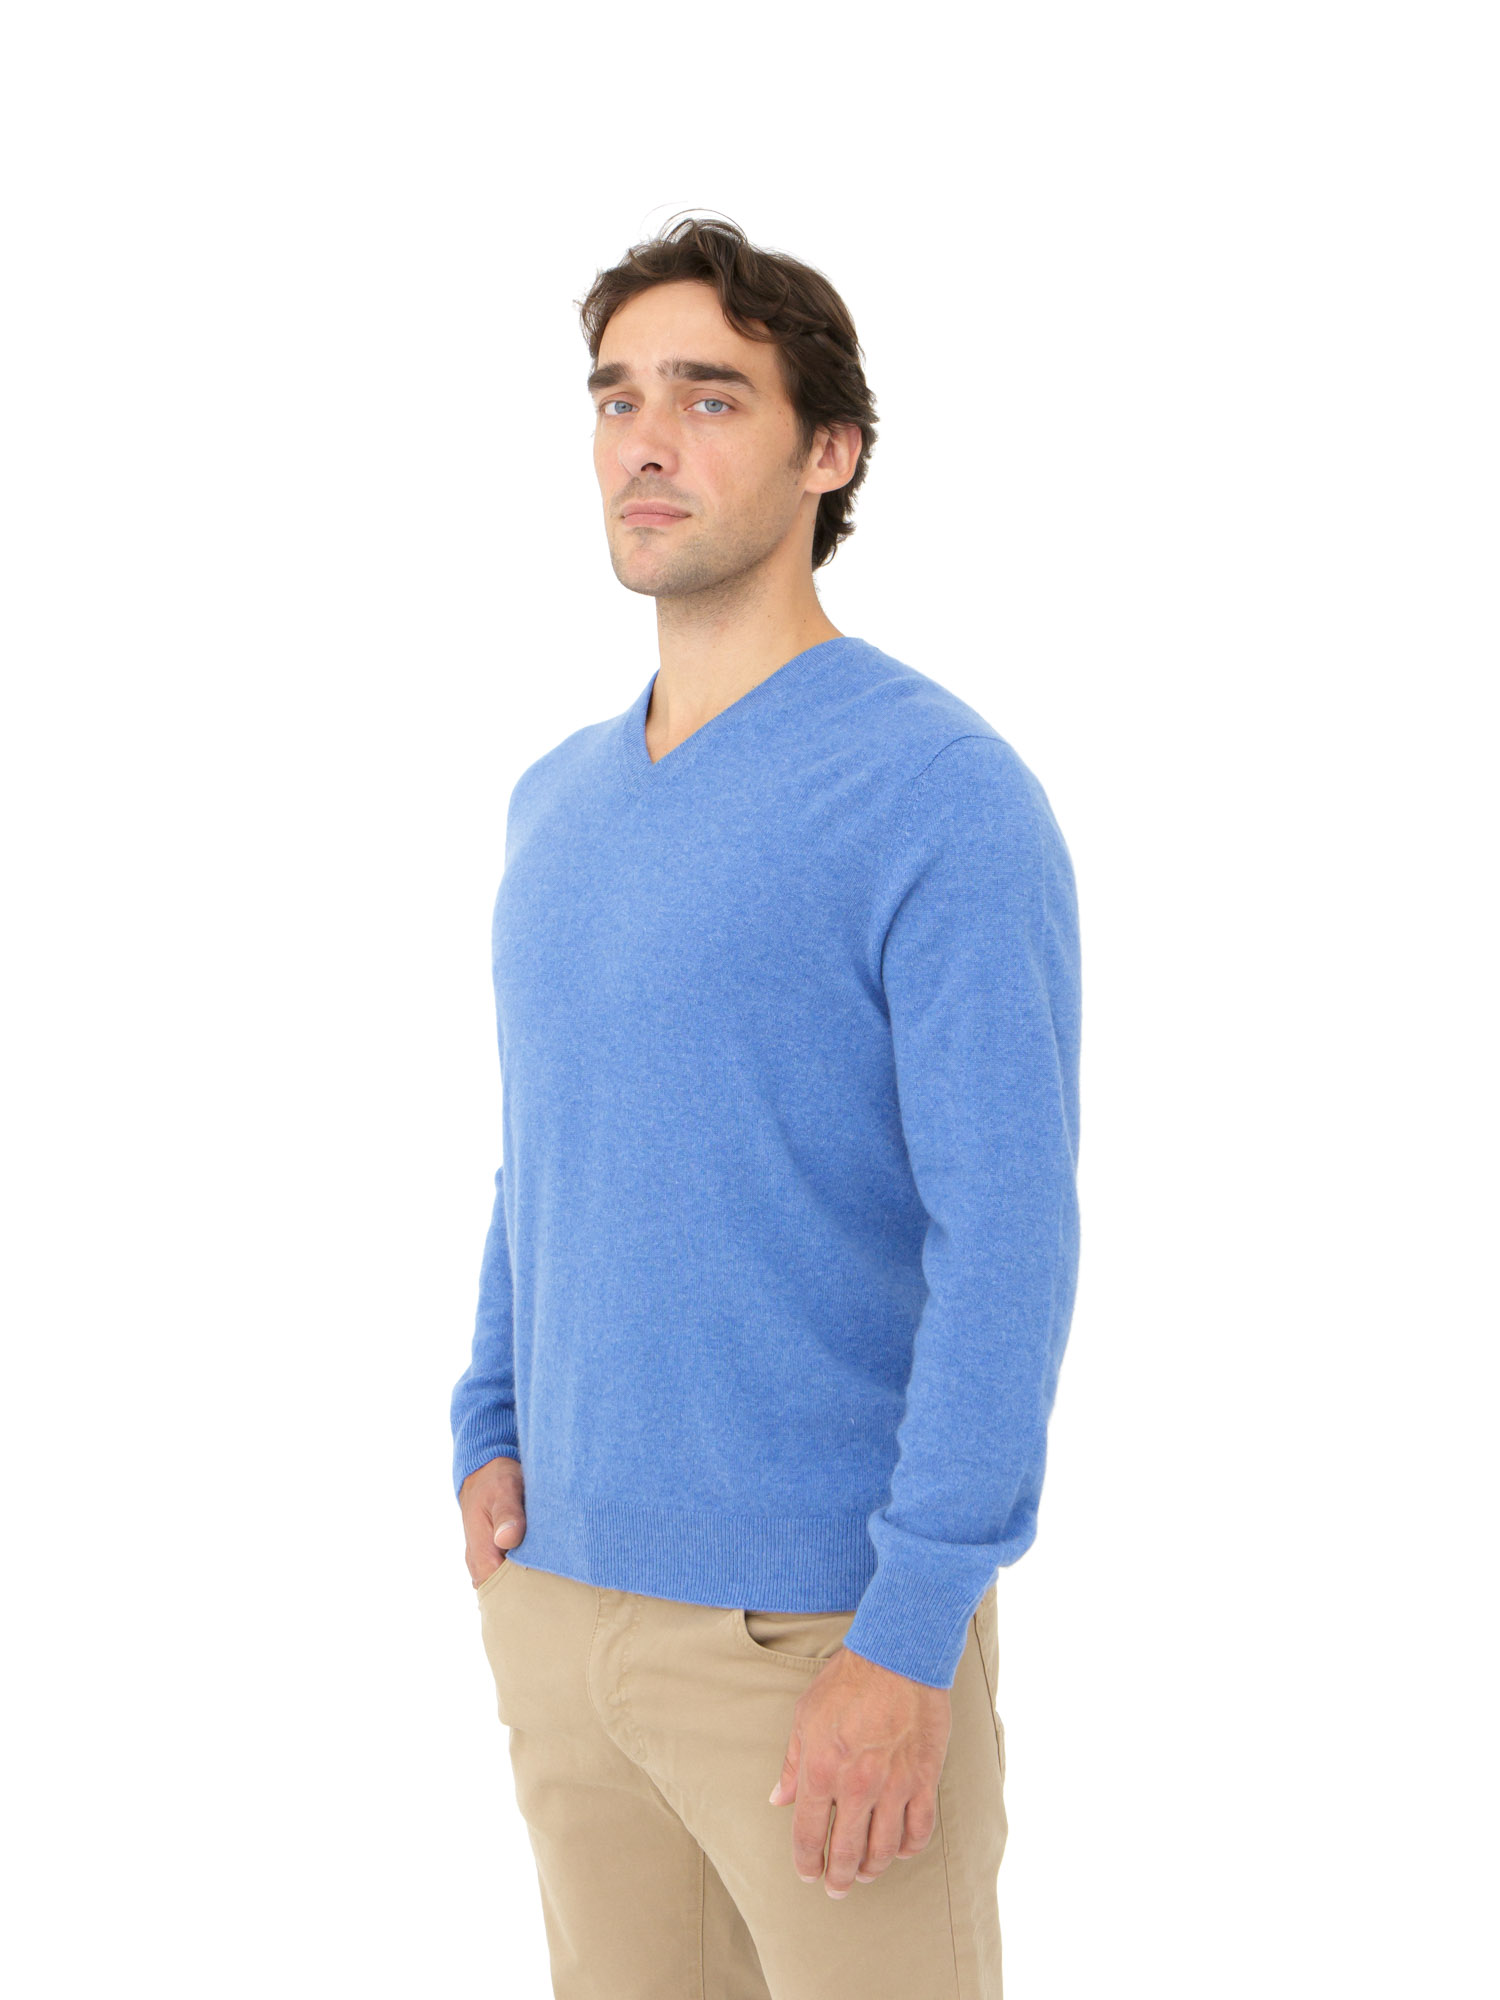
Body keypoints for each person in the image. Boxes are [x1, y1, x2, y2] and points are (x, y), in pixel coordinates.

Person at [449, 213, 1081, 2000]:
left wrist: (912, 1626)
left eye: (710, 398)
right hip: (562, 1608)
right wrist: (487, 1417)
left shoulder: (939, 793)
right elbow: (547, 1144)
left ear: (830, 454)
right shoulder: (555, 801)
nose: (646, 441)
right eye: (617, 398)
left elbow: (1008, 1237)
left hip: (816, 1642)